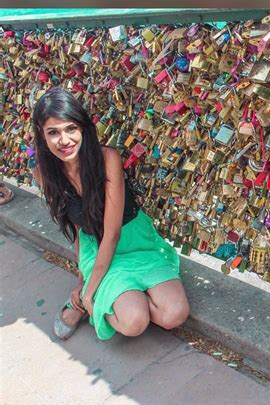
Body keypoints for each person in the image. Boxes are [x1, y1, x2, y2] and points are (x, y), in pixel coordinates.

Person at [31, 87, 190, 341]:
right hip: (97, 248)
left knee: (174, 315)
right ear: (42, 134)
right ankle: (97, 299)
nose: (64, 140)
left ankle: (102, 297)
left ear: (82, 127)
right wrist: (84, 280)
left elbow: (113, 232)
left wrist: (88, 290)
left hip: (135, 241)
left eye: (71, 129)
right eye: (53, 132)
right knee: (134, 322)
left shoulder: (107, 159)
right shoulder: (44, 173)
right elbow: (75, 228)